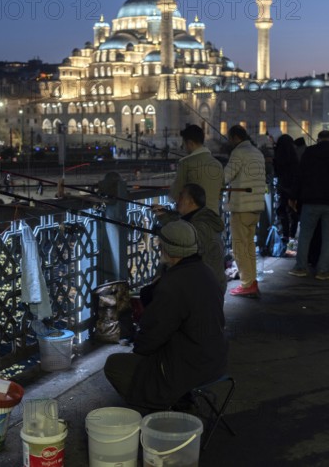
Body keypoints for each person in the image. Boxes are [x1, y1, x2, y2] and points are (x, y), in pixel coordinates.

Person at [104, 219, 228, 412]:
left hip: (192, 367)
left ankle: (158, 412)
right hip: (216, 360)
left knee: (115, 365)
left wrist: (140, 347)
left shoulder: (173, 285)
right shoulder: (206, 271)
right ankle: (178, 399)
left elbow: (148, 339)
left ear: (166, 249)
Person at [153, 183, 226, 293]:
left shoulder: (202, 225)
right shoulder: (198, 217)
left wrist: (163, 231)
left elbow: (185, 242)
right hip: (207, 282)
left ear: (191, 201)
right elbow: (181, 224)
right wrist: (163, 215)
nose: (177, 200)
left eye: (181, 196)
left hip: (207, 288)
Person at [224, 125, 266, 297]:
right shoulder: (258, 153)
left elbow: (225, 176)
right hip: (256, 206)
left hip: (242, 207)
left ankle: (247, 283)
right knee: (249, 245)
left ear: (234, 138)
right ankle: (252, 281)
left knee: (240, 247)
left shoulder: (239, 152)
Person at [288, 130, 329, 279]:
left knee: (305, 236)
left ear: (318, 139)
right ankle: (323, 270)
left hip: (311, 200)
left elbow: (299, 175)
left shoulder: (309, 152)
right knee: (327, 238)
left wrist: (293, 197)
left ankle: (301, 267)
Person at [169, 124, 223, 215]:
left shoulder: (186, 163)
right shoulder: (218, 164)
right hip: (214, 218)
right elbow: (221, 192)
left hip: (195, 219)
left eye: (184, 143)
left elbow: (176, 193)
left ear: (190, 143)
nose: (183, 147)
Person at [273, 134, 299, 248]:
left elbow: (277, 172)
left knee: (282, 213)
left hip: (282, 188)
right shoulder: (294, 156)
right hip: (293, 189)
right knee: (293, 214)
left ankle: (285, 236)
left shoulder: (278, 156)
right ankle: (292, 238)